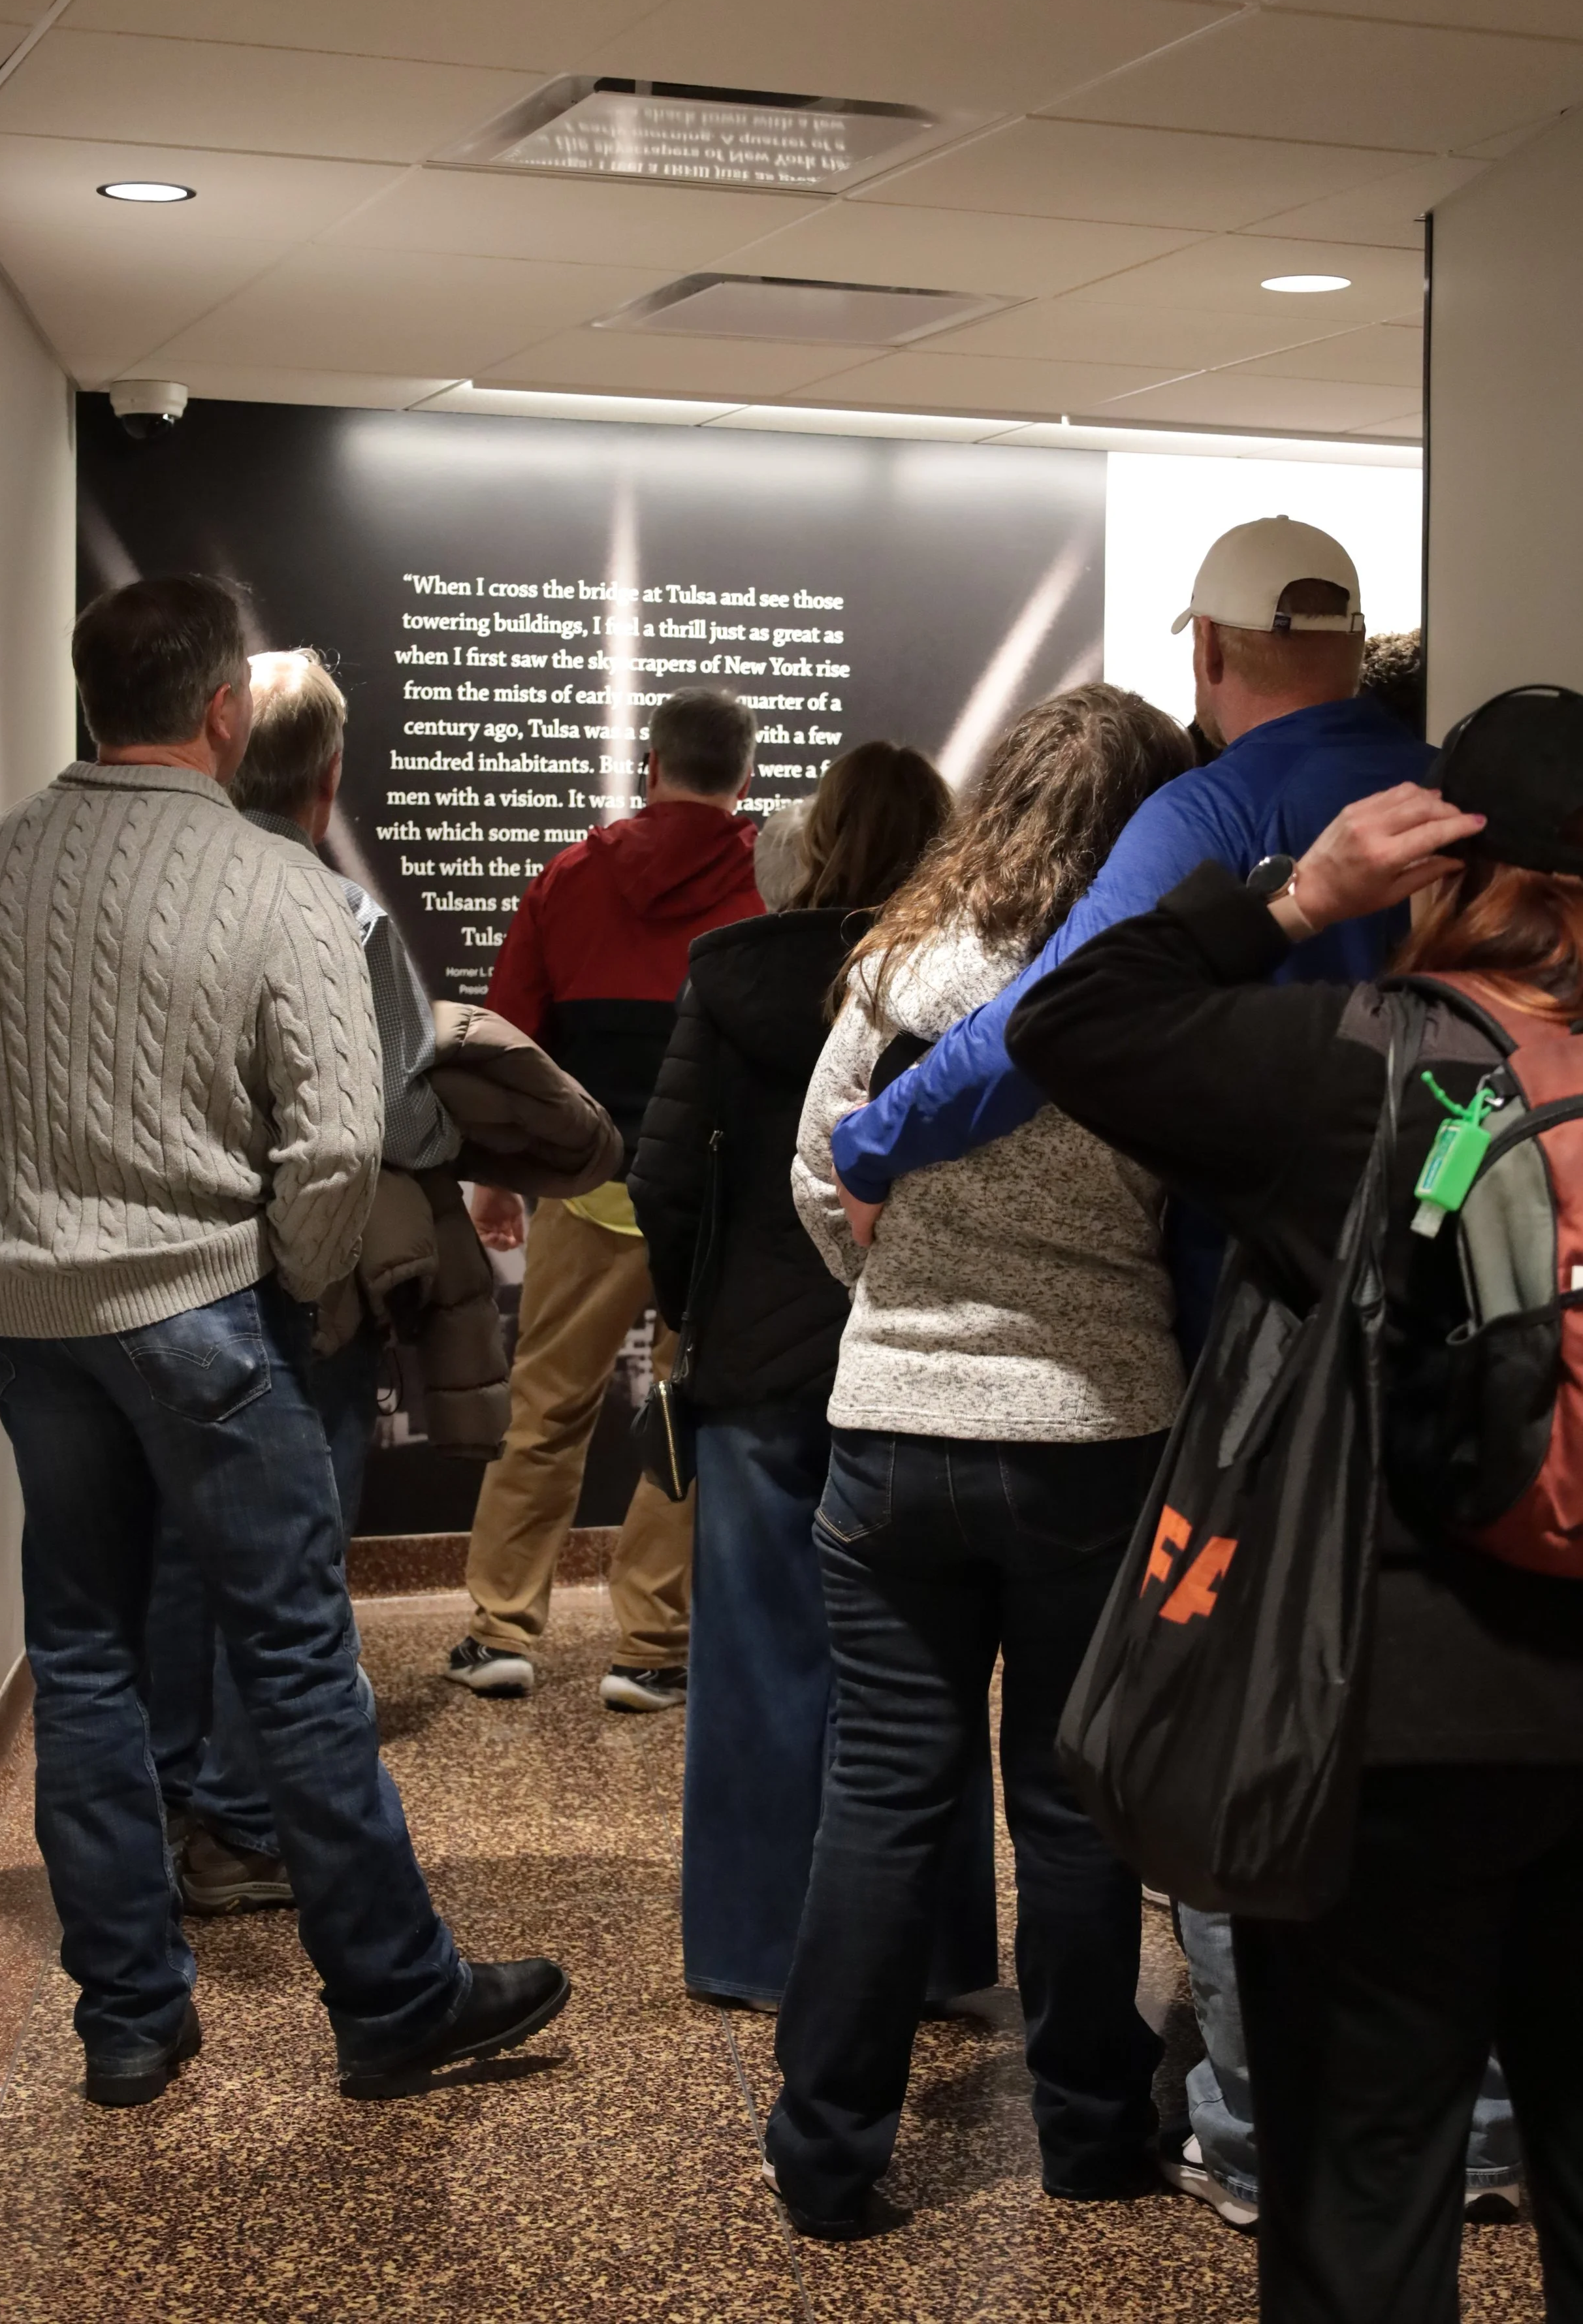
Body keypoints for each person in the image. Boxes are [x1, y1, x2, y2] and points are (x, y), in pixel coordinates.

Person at [1001, 695, 1583, 2324]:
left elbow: (1070, 1020)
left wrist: (1288, 898)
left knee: (1364, 2187)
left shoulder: (1360, 1067)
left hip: (1392, 1720)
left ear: (1446, 861)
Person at [0, 575, 567, 2105]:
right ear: (223, 710)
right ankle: (393, 1997)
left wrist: (6, 1228)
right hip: (207, 1312)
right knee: (293, 1654)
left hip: (32, 1321)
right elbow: (335, 1146)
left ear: (95, 696)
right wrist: (292, 1287)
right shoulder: (282, 887)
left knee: (85, 1657)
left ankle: (130, 2019)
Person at [761, 687, 1194, 2240]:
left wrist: (894, 1308)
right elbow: (1187, 1213)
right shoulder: (1157, 981)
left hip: (888, 1438)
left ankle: (823, 2149)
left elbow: (820, 1178)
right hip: (1093, 1432)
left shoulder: (894, 968)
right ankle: (1085, 2133)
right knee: (1075, 1811)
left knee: (880, 1795)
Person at [827, 517, 1422, 1360]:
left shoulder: (1210, 809)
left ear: (1208, 648)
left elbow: (1052, 1017)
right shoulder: (1457, 796)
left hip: (1263, 1294)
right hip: (1455, 1253)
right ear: (1357, 647)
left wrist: (873, 1139)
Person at [632, 741, 999, 2011]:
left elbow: (665, 1176)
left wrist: (697, 1319)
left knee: (754, 1674)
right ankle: (939, 1957)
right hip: (908, 1357)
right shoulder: (958, 986)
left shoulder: (731, 974)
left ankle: (747, 1949)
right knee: (921, 1676)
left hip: (754, 1374)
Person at [148, 648, 455, 1916]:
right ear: (328, 780)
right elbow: (388, 1117)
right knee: (291, 1567)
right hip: (296, 1276)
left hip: (160, 1283)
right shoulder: (343, 916)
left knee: (174, 1552)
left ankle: (172, 1794)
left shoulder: (155, 899)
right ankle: (238, 1822)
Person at [447, 684, 763, 1711]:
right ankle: (653, 1647)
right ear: (746, 778)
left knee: (543, 1410)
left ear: (650, 767)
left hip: (586, 1190)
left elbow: (511, 1039)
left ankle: (500, 1629)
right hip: (707, 1199)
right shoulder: (768, 881)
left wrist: (497, 1177)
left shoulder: (570, 878)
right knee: (683, 1411)